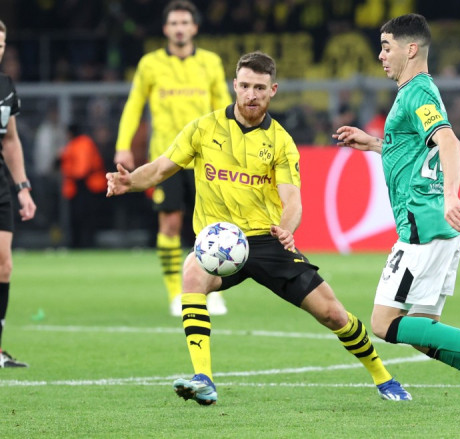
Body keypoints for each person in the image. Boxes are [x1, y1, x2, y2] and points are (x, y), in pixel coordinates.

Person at [106, 51, 411, 406]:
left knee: (332, 313)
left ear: (273, 90)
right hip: (219, 243)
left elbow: (292, 199)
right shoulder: (203, 128)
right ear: (235, 86)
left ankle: (383, 376)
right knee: (192, 274)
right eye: (246, 86)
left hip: (267, 240)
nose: (251, 94)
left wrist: (286, 229)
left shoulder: (280, 141)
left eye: (260, 88)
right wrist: (130, 181)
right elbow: (160, 169)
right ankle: (203, 379)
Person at [333, 13, 460, 419]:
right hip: (438, 229)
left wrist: (450, 197)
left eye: (386, 47)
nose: (380, 55)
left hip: (422, 226)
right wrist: (374, 143)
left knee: (383, 324)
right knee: (425, 337)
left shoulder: (416, 93)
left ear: (411, 49)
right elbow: (418, 149)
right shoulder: (420, 92)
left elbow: (448, 141)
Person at [114, 0, 232, 317]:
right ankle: (175, 294)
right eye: (174, 23)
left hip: (205, 157)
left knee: (210, 228)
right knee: (170, 224)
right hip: (166, 159)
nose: (180, 29)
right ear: (166, 29)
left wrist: (231, 147)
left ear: (194, 28)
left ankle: (212, 290)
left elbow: (224, 107)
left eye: (185, 23)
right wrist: (123, 145)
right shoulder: (150, 64)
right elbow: (133, 105)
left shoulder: (210, 62)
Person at [0, 20, 37, 368]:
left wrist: (22, 187)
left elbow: (10, 140)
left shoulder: (5, 86)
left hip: (0, 183)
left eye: (1, 45)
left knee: (4, 264)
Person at [60, 124, 108, 248]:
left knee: (84, 217)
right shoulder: (78, 143)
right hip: (83, 186)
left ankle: (84, 244)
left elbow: (81, 170)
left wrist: (70, 173)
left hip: (87, 187)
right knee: (83, 217)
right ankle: (82, 243)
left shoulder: (81, 143)